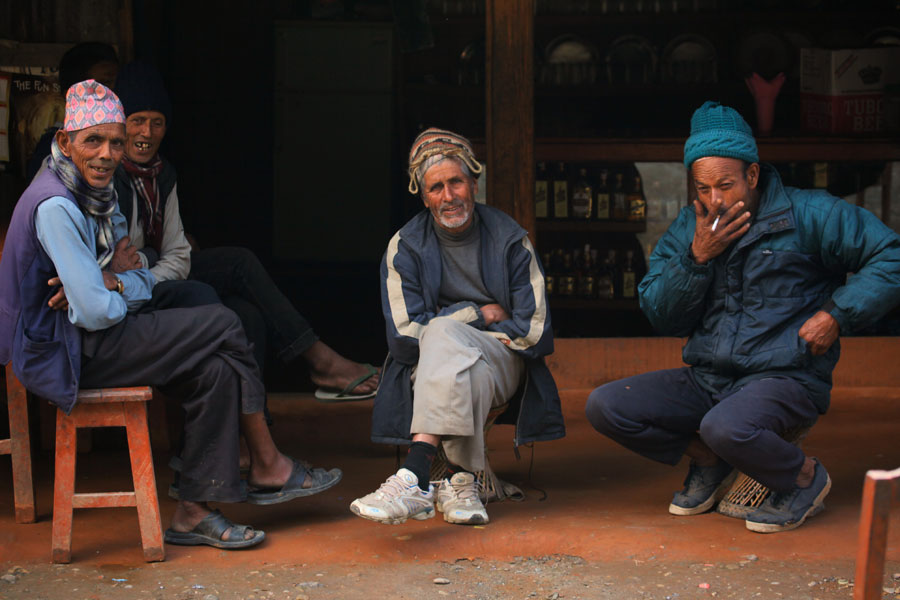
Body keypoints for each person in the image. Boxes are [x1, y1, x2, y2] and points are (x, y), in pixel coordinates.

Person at [0, 80, 341, 550]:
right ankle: (267, 459)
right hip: (68, 351)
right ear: (65, 141)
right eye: (92, 141)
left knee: (217, 367)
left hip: (93, 333)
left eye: (114, 142)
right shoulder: (57, 204)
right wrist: (107, 286)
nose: (106, 154)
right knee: (224, 322)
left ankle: (195, 511)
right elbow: (96, 313)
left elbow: (129, 270)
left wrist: (115, 281)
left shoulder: (98, 194)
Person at [585, 101, 900, 533]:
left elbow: (891, 256)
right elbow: (660, 313)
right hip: (710, 378)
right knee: (607, 405)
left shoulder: (810, 214)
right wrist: (697, 258)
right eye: (702, 189)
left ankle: (804, 477)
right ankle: (709, 461)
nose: (714, 200)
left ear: (752, 175)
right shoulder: (690, 228)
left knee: (725, 425)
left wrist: (837, 315)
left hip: (785, 375)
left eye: (725, 185)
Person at [111, 61, 379, 401]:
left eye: (157, 123)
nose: (147, 133)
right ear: (119, 125)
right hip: (131, 293)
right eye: (137, 122)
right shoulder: (108, 175)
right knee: (238, 265)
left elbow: (178, 256)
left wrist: (151, 264)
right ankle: (320, 360)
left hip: (153, 278)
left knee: (248, 313)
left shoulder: (163, 174)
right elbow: (130, 261)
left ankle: (249, 434)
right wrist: (150, 264)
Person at [349, 128, 564, 526]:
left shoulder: (510, 240)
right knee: (456, 355)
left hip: (504, 361)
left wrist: (459, 333)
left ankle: (413, 475)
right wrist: (478, 316)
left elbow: (534, 330)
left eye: (456, 182)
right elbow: (401, 339)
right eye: (436, 188)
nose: (448, 197)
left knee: (443, 335)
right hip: (437, 365)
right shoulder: (406, 247)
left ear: (474, 184)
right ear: (423, 194)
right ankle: (461, 482)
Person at [26, 42, 119, 181]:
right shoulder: (51, 153)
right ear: (71, 95)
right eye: (103, 84)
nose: (111, 93)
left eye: (114, 83)